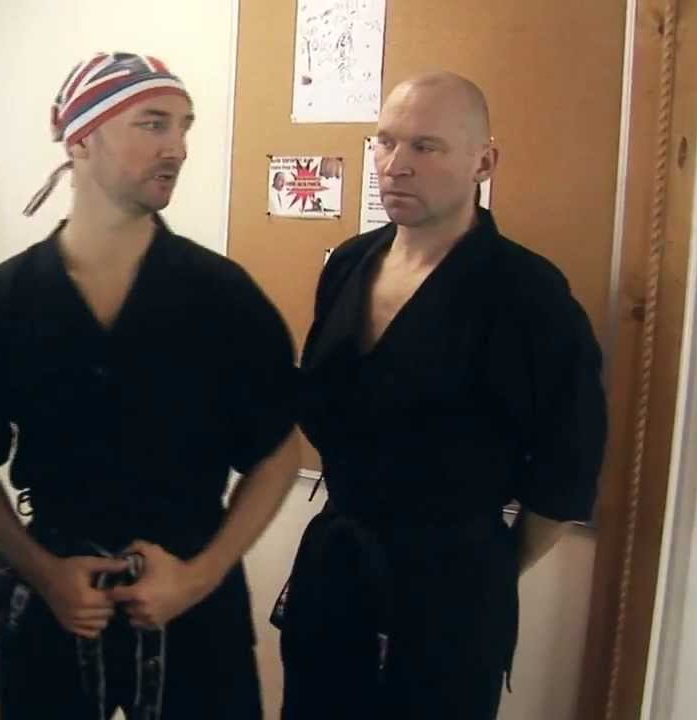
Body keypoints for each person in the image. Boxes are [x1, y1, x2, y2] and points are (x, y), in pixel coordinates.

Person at [0, 51, 299, 719]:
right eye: (153, 124)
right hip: (58, 598)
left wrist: (199, 577)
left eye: (184, 127)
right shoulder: (7, 299)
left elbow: (277, 454)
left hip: (193, 599)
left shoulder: (221, 296)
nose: (177, 147)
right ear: (80, 140)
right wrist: (43, 571)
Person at [278, 71, 607, 719]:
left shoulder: (528, 295)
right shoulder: (349, 263)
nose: (394, 165)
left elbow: (566, 472)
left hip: (454, 588)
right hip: (336, 566)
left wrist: (483, 570)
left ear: (484, 162)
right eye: (385, 141)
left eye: (425, 146)